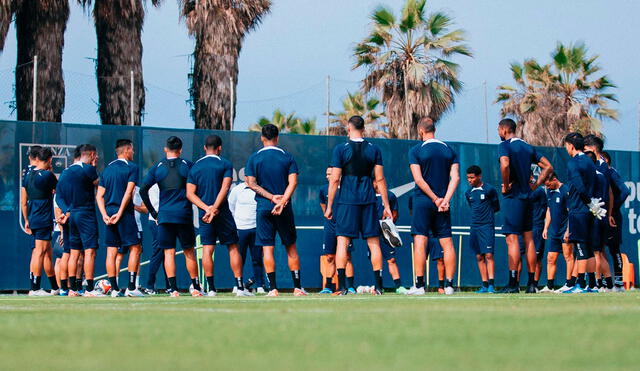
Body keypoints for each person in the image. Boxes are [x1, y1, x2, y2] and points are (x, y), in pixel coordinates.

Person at [325, 115, 391, 296]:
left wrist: (330, 205)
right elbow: (380, 179)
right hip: (369, 201)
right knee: (374, 243)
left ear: (348, 127)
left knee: (342, 242)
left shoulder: (340, 149)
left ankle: (342, 287)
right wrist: (386, 205)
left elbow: (335, 179)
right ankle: (378, 287)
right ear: (364, 128)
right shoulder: (374, 149)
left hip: (347, 202)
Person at [245, 124, 307, 297]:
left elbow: (251, 183)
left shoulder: (254, 158)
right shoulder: (287, 157)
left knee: (267, 249)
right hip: (284, 208)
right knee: (291, 248)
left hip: (264, 208)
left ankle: (273, 289)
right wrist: (281, 200)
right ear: (277, 138)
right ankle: (297, 288)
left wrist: (271, 198)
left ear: (262, 138)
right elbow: (293, 182)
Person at [187, 134, 252, 297]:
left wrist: (207, 209)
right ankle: (239, 288)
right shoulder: (225, 163)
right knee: (233, 247)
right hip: (221, 213)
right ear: (220, 148)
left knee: (208, 249)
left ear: (204, 148)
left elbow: (190, 194)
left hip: (205, 215)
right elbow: (225, 188)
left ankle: (212, 290)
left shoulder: (195, 167)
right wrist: (214, 208)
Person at [496, 118, 553, 293]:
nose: (498, 132)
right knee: (528, 239)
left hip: (514, 197)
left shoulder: (505, 145)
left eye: (499, 129)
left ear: (504, 129)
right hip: (528, 197)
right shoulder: (528, 147)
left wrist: (505, 185)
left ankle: (513, 283)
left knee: (512, 239)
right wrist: (536, 185)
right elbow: (548, 166)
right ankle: (531, 284)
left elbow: (505, 164)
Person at [140, 136, 200, 298]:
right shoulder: (188, 165)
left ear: (165, 149)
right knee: (189, 252)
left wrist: (153, 213)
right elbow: (198, 186)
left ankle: (173, 290)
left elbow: (142, 190)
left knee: (168, 253)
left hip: (165, 216)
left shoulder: (158, 167)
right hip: (183, 215)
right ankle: (195, 288)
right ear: (180, 150)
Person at [407, 118, 460, 296]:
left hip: (423, 201)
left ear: (421, 131)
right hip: (443, 203)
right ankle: (450, 286)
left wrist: (435, 199)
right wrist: (445, 199)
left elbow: (418, 179)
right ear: (434, 129)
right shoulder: (449, 149)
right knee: (447, 242)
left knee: (420, 241)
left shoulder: (416, 150)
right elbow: (456, 178)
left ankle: (419, 286)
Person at [96, 139, 143, 297]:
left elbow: (99, 196)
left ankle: (114, 289)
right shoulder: (132, 167)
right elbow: (128, 192)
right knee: (135, 248)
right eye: (132, 150)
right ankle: (131, 288)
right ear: (127, 150)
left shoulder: (107, 170)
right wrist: (121, 212)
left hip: (109, 213)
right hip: (124, 213)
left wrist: (104, 214)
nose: (134, 153)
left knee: (111, 251)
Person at [562, 133, 598, 293]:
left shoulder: (573, 163)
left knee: (581, 248)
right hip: (589, 210)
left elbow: (579, 186)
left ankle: (580, 284)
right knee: (588, 248)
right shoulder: (590, 162)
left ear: (570, 145)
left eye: (566, 145)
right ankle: (591, 284)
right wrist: (592, 204)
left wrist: (588, 201)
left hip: (579, 209)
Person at [21, 147, 58, 296]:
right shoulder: (48, 176)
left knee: (47, 252)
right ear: (49, 160)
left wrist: (26, 219)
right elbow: (57, 190)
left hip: (34, 217)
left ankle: (55, 287)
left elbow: (24, 201)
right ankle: (35, 288)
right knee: (39, 252)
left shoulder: (28, 175)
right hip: (43, 217)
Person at [66, 144, 101, 297]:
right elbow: (99, 185)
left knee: (74, 253)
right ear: (92, 155)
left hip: (72, 214)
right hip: (86, 214)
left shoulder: (68, 171)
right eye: (96, 156)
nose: (97, 158)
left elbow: (60, 193)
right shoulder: (88, 169)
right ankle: (90, 289)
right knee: (89, 252)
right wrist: (93, 167)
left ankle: (72, 289)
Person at [584, 135, 617, 291]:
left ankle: (600, 284)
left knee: (596, 252)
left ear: (592, 149)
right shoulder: (603, 168)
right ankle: (605, 284)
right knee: (600, 252)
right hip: (602, 214)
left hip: (596, 214)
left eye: (585, 150)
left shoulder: (599, 168)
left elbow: (613, 192)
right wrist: (609, 213)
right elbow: (610, 192)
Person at [318, 167, 356, 294]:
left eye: (330, 174)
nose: (327, 176)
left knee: (347, 256)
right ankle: (328, 286)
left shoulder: (347, 188)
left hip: (345, 225)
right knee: (329, 257)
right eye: (326, 174)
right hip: (330, 226)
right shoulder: (323, 189)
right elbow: (323, 206)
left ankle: (350, 286)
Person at [464, 165, 499, 294]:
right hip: (474, 227)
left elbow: (496, 207)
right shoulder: (468, 193)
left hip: (487, 227)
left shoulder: (490, 190)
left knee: (489, 255)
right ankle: (484, 285)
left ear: (479, 176)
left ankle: (491, 285)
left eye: (472, 177)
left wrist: (486, 219)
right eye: (468, 178)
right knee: (479, 256)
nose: (469, 180)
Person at [228, 180, 266, 294]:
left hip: (256, 228)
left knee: (257, 259)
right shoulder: (237, 190)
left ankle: (260, 286)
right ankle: (237, 285)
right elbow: (231, 207)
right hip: (240, 229)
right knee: (239, 258)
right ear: (245, 177)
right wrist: (238, 222)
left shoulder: (260, 189)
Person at [601, 151, 631, 291]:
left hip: (613, 215)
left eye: (601, 158)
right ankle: (603, 282)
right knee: (600, 248)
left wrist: (612, 209)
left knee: (614, 248)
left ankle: (619, 282)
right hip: (602, 214)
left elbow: (625, 191)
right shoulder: (599, 173)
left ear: (606, 160)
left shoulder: (611, 173)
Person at [540, 172, 574, 293]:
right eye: (546, 186)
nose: (548, 188)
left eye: (549, 185)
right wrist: (545, 228)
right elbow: (549, 210)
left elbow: (571, 212)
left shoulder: (565, 190)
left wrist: (568, 230)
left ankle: (569, 284)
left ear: (555, 179)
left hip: (565, 230)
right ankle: (549, 286)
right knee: (550, 258)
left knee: (568, 256)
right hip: (554, 231)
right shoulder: (549, 191)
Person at [373, 182, 407, 293]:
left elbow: (395, 213)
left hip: (385, 233)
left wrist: (389, 225)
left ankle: (399, 286)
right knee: (376, 262)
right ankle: (378, 286)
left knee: (391, 259)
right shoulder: (368, 195)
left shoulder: (390, 196)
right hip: (372, 234)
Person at [530, 175, 548, 290]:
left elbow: (546, 208)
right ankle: (514, 284)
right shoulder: (519, 189)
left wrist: (544, 226)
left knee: (537, 257)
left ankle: (534, 285)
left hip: (537, 226)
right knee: (520, 256)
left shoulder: (539, 190)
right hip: (523, 228)